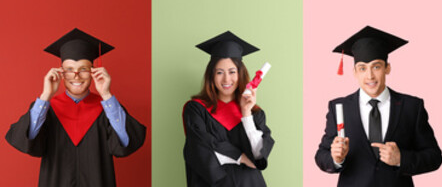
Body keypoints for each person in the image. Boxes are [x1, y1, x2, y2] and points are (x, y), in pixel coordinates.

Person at [6, 28, 147, 187]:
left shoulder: (107, 109)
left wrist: (106, 94)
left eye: (83, 69)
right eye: (69, 69)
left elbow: (126, 143)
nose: (76, 75)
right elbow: (27, 140)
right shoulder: (48, 109)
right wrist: (45, 95)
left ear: (93, 71)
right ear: (61, 73)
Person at [315, 26, 442, 186]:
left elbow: (434, 157)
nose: (370, 76)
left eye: (376, 66)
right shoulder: (339, 108)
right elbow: (321, 155)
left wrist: (401, 159)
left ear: (387, 68)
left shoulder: (411, 107)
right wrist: (335, 158)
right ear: (355, 72)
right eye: (362, 68)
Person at [182, 31, 275, 186]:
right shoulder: (196, 109)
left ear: (240, 74)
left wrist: (246, 114)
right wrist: (241, 157)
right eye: (220, 72)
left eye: (232, 72)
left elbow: (258, 156)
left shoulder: (255, 114)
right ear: (211, 75)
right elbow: (198, 149)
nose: (226, 79)